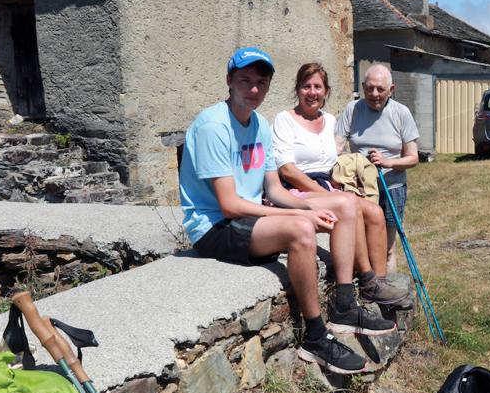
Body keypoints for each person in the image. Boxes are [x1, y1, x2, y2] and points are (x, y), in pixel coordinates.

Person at [178, 47, 394, 375]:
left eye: (260, 83)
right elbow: (229, 204)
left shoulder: (259, 125)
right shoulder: (214, 125)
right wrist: (301, 216)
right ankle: (316, 338)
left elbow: (275, 190)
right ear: (229, 81)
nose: (253, 89)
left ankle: (346, 305)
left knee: (346, 204)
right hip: (214, 227)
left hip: (250, 214)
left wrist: (311, 204)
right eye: (245, 81)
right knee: (302, 230)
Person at [270, 62, 409, 307]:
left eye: (318, 87)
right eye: (306, 86)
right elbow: (287, 169)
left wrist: (350, 172)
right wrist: (322, 191)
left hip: (326, 185)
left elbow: (335, 156)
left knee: (375, 213)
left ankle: (378, 285)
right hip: (297, 188)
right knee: (348, 205)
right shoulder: (285, 120)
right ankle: (367, 281)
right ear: (298, 89)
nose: (312, 92)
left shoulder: (329, 120)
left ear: (326, 91)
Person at [335, 64, 419, 274]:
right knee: (361, 247)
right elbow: (335, 147)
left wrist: (388, 162)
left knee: (387, 249)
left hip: (391, 187)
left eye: (380, 89)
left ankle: (386, 296)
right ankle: (366, 294)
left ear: (391, 90)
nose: (374, 94)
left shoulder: (401, 113)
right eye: (369, 88)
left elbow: (413, 157)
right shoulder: (352, 109)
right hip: (360, 190)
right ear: (362, 87)